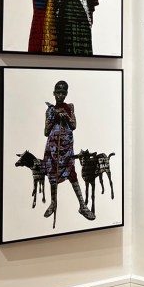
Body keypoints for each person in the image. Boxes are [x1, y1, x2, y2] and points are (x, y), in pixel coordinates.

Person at [43, 80, 95, 225]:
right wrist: (54, 118)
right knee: (53, 175)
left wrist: (66, 116)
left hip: (66, 148)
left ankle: (82, 206)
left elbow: (74, 126)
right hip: (53, 148)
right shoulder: (50, 110)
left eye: (63, 93)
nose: (60, 95)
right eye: (58, 92)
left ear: (66, 94)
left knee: (72, 175)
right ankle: (53, 203)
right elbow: (46, 132)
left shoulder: (69, 107)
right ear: (54, 93)